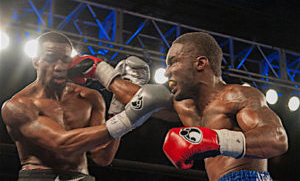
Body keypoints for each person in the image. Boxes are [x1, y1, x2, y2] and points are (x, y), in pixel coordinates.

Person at [68, 32, 289, 181]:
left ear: (200, 63)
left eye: (173, 62)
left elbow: (277, 140)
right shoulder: (184, 105)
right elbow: (142, 98)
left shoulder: (237, 95)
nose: (166, 72)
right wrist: (100, 71)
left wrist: (215, 140)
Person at [1, 31, 171, 181]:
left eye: (65, 59)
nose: (59, 66)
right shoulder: (18, 106)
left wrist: (118, 106)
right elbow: (62, 144)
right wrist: (130, 117)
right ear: (36, 61)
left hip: (82, 177)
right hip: (40, 177)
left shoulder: (89, 97)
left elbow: (103, 157)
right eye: (51, 57)